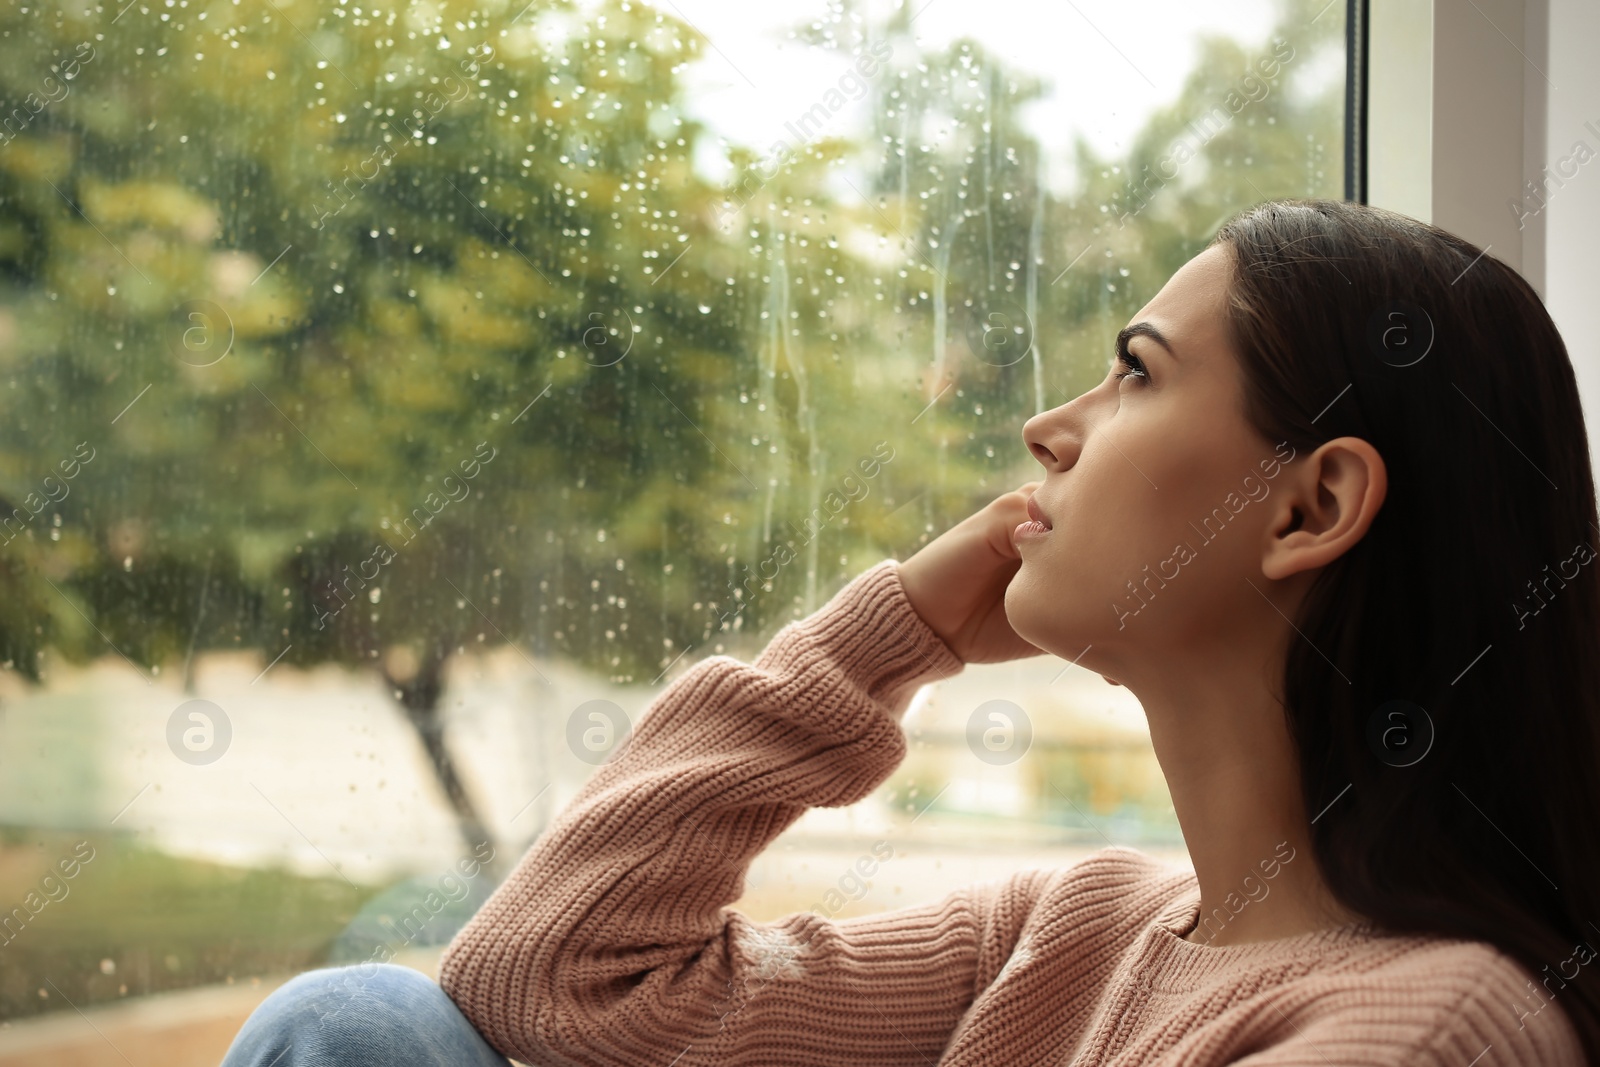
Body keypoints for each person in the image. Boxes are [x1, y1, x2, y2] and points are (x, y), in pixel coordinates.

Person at [218, 198, 1600, 1066]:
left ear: (1311, 506)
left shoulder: (1427, 1027)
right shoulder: (1075, 931)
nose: (1047, 430)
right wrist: (897, 632)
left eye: (1135, 373)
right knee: (364, 1029)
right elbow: (554, 983)